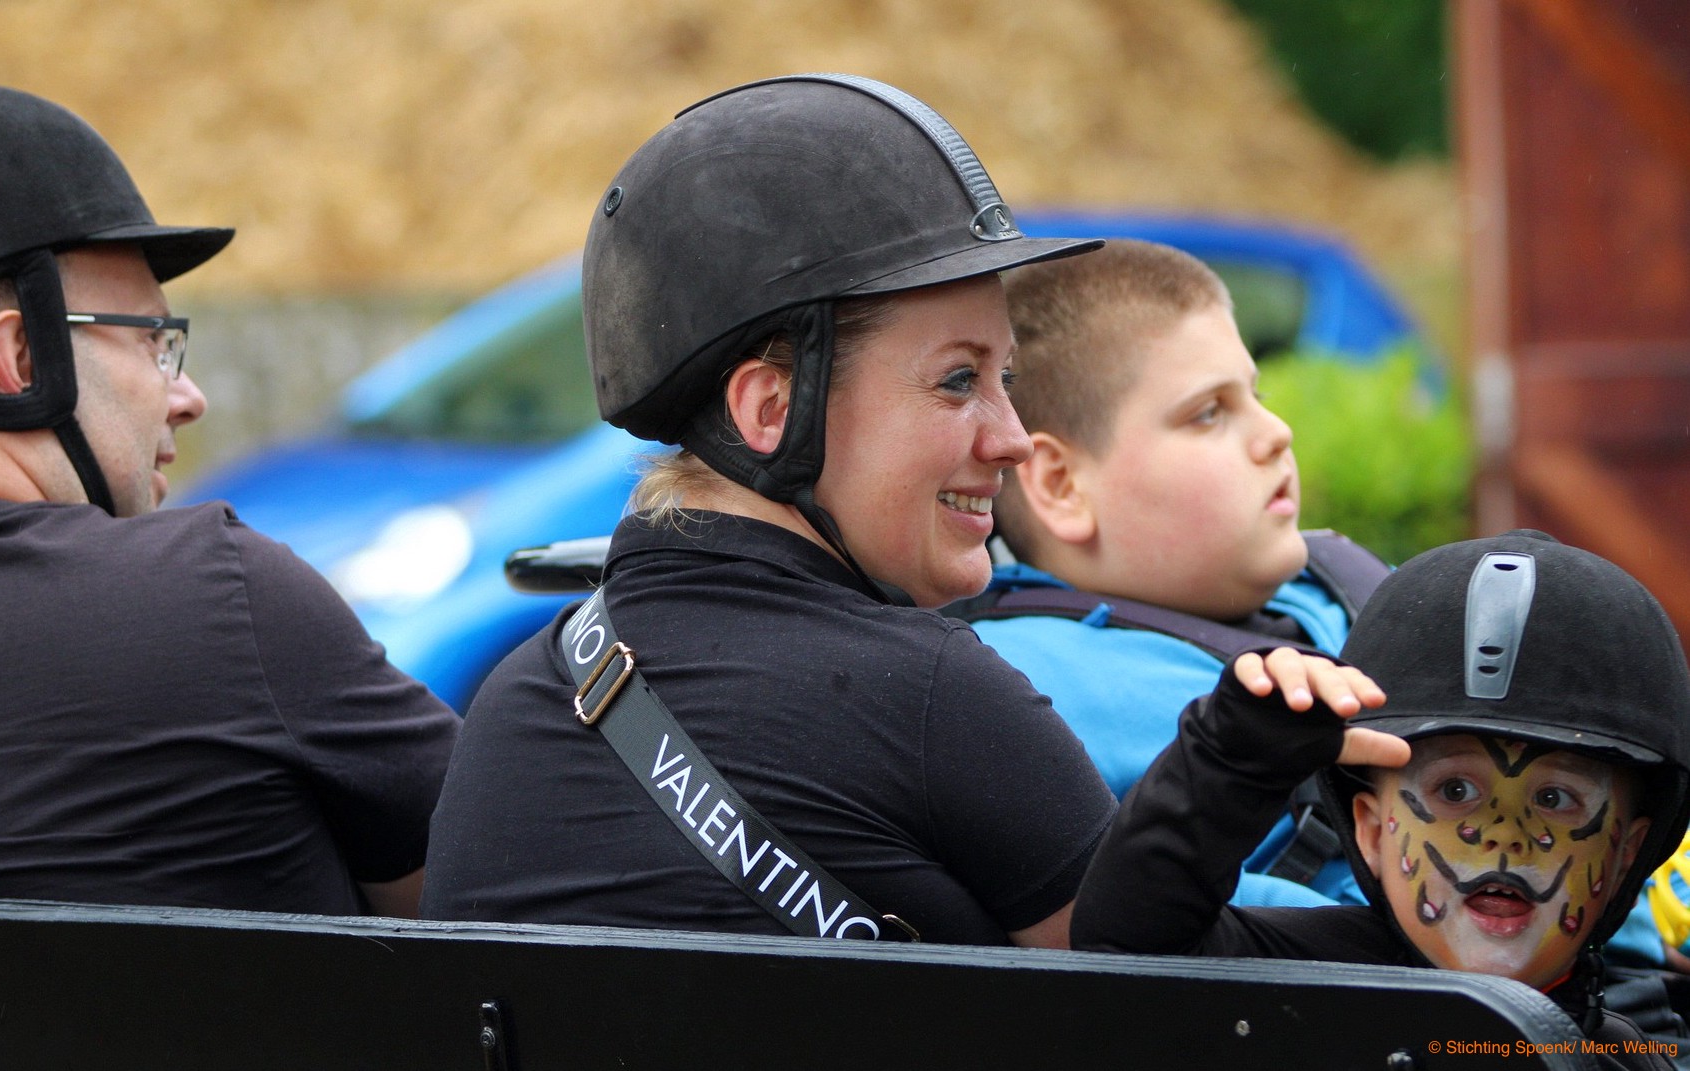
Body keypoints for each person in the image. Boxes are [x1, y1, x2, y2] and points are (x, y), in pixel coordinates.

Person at [421, 74, 1121, 946]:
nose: (1014, 438)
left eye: (1003, 379)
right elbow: (1205, 1005)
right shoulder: (933, 694)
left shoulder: (517, 702)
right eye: (957, 381)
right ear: (770, 410)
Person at [0, 83, 460, 917]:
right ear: (21, 353)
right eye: (155, 341)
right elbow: (502, 895)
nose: (187, 396)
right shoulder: (223, 599)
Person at [1071, 530, 1690, 1066]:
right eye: (1455, 790)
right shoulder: (1317, 983)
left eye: (1555, 797)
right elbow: (1130, 947)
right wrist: (1231, 763)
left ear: (1626, 856)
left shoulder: (1629, 1055)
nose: (1504, 834)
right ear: (1370, 831)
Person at [961, 240, 1388, 906]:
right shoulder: (1028, 697)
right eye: (1208, 412)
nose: (1275, 431)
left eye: (1255, 393)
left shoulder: (1338, 589)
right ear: (1061, 483)